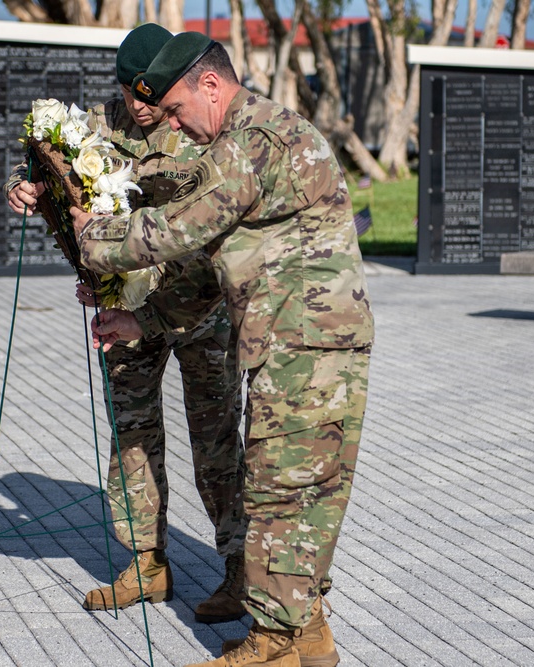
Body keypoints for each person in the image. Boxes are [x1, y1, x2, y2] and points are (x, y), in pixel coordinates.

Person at [71, 32, 374, 667]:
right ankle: (307, 637)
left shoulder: (254, 140)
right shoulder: (250, 138)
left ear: (211, 85)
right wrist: (145, 319)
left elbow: (183, 226)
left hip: (305, 347)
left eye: (178, 111)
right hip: (297, 345)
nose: (176, 125)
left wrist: (93, 238)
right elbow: (211, 268)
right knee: (293, 489)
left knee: (279, 494)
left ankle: (272, 645)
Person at [4, 24, 248, 625]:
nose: (141, 108)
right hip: (122, 301)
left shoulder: (197, 125)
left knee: (214, 437)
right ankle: (146, 563)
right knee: (131, 431)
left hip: (199, 305)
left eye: (150, 95)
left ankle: (242, 568)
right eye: (130, 93)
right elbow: (45, 158)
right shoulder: (101, 124)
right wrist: (25, 185)